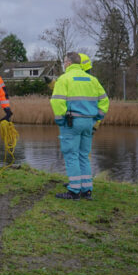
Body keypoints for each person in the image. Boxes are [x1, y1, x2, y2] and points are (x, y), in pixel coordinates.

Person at [50, 52, 109, 200]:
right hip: (88, 123)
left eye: (64, 62)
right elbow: (104, 101)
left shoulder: (64, 79)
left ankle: (74, 191)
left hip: (71, 122)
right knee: (84, 156)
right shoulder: (92, 80)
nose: (64, 65)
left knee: (71, 155)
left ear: (68, 63)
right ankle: (87, 190)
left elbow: (57, 102)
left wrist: (60, 120)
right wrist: (97, 118)